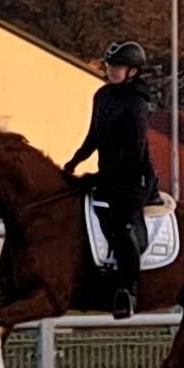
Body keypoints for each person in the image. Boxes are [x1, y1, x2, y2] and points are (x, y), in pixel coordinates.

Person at [64, 40, 160, 319]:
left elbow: (133, 149)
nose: (111, 71)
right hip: (107, 175)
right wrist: (74, 161)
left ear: (132, 71)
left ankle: (128, 291)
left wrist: (99, 177)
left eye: (117, 67)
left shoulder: (137, 103)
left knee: (121, 225)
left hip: (133, 180)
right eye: (109, 66)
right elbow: (94, 135)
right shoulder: (102, 96)